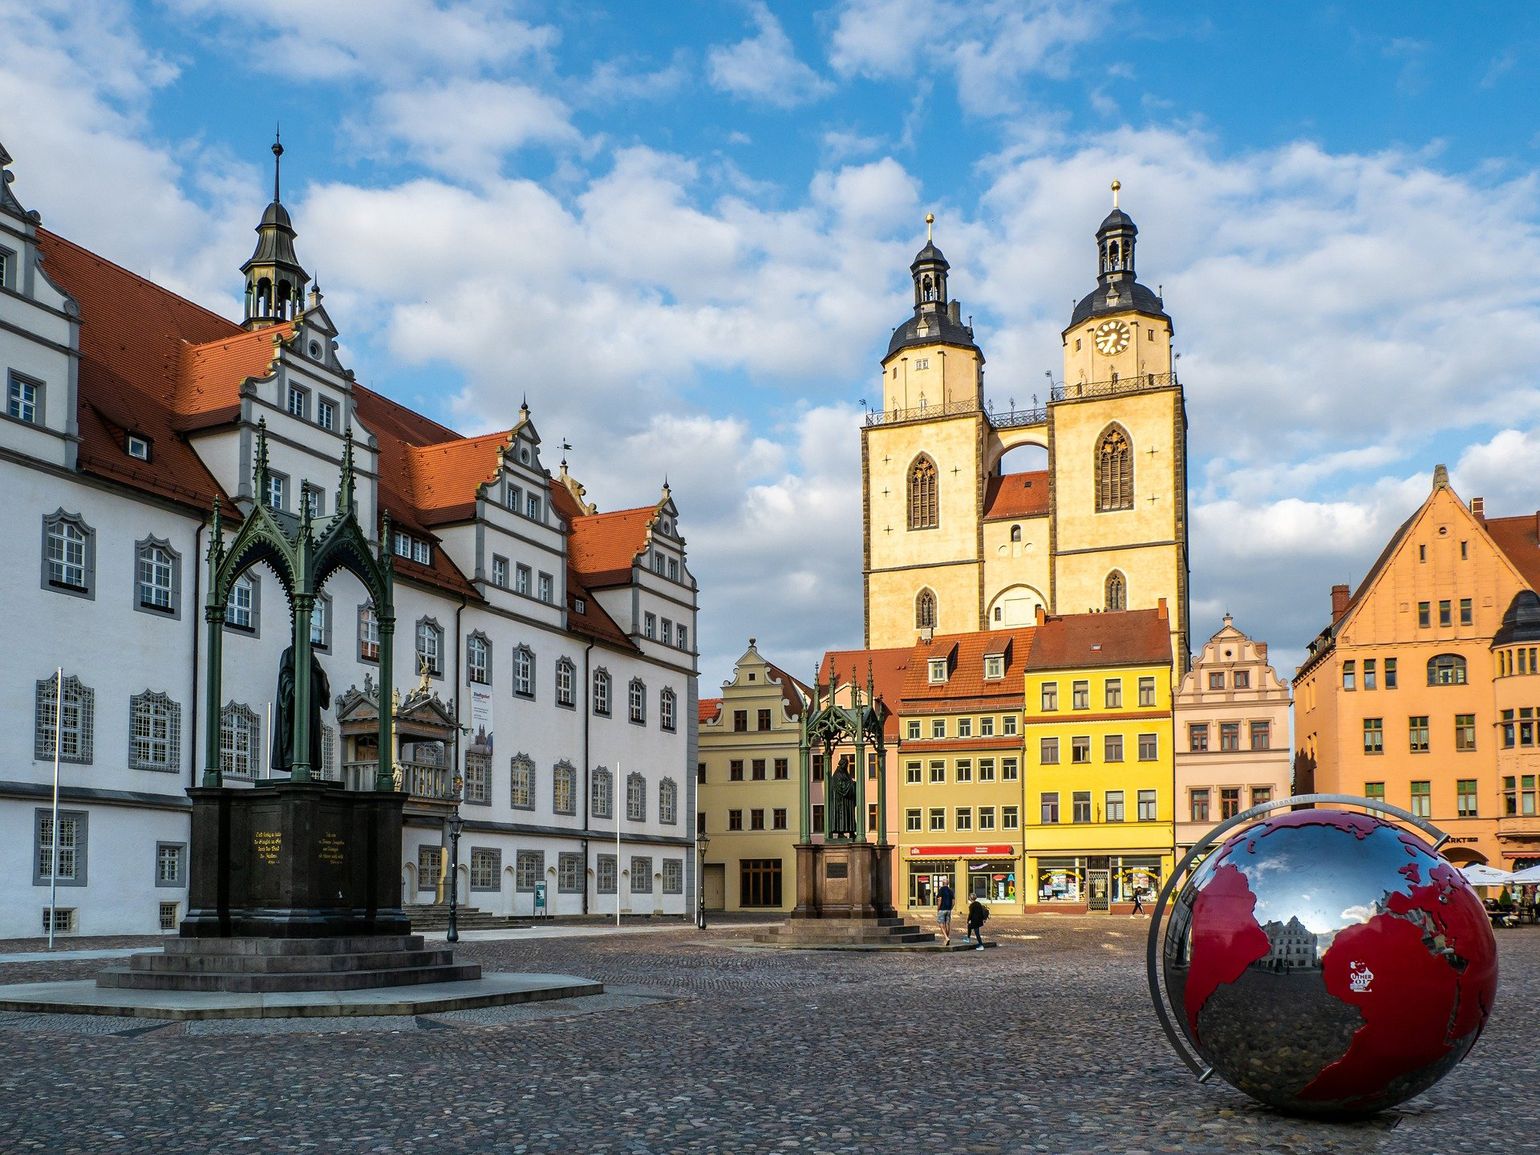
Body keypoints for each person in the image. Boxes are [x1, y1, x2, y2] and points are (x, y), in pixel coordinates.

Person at [827, 755, 857, 839]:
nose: (847, 766)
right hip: (840, 802)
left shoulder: (844, 773)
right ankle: (840, 833)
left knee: (849, 816)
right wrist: (852, 785)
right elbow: (841, 786)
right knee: (842, 817)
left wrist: (852, 784)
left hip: (847, 801)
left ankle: (852, 832)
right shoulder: (838, 774)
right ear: (843, 764)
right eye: (846, 764)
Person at [935, 879, 955, 946]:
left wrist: (938, 908)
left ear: (942, 883)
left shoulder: (941, 890)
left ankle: (946, 938)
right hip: (948, 909)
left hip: (942, 909)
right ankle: (946, 938)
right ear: (948, 883)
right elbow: (953, 902)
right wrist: (951, 908)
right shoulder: (950, 891)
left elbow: (940, 899)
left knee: (941, 923)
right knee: (947, 924)